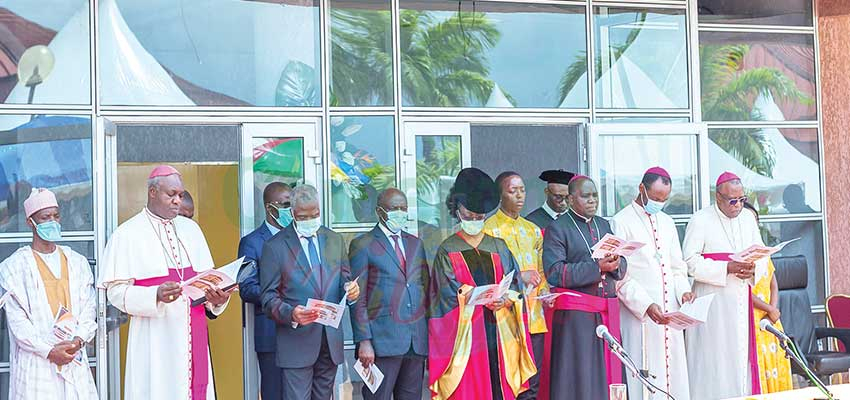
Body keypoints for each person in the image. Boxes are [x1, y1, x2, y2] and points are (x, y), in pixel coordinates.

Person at [98, 165, 232, 400]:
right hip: (155, 338)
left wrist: (218, 300)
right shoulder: (127, 234)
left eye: (180, 195)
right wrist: (154, 295)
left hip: (195, 331)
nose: (177, 201)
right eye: (171, 194)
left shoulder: (192, 230)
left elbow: (208, 283)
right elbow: (115, 292)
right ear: (152, 192)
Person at [428, 168, 536, 400]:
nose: (475, 221)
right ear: (457, 210)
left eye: (479, 217)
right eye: (469, 215)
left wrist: (506, 299)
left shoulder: (498, 246)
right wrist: (471, 295)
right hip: (467, 336)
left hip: (499, 332)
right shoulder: (448, 249)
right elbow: (443, 295)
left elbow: (515, 284)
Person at [259, 184, 361, 400]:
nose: (311, 220)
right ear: (294, 214)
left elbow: (345, 277)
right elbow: (267, 298)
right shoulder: (275, 247)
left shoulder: (334, 240)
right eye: (305, 216)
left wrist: (350, 289)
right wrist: (291, 313)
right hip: (296, 342)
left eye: (315, 214)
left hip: (330, 340)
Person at [0, 189, 98, 399]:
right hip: (37, 362)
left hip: (73, 355)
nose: (52, 221)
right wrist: (48, 350)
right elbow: (18, 324)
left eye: (56, 215)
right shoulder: (14, 267)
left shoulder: (76, 262)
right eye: (45, 218)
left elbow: (89, 308)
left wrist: (78, 341)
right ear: (30, 222)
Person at [610, 167, 692, 400]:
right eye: (655, 198)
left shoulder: (667, 222)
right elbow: (620, 276)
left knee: (674, 376)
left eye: (664, 200)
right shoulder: (621, 222)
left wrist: (684, 291)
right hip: (641, 316)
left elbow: (677, 266)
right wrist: (646, 305)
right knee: (644, 373)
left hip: (670, 313)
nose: (659, 204)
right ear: (641, 189)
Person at [682, 172, 766, 399]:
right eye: (732, 201)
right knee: (714, 361)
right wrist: (725, 268)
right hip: (712, 305)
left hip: (739, 300)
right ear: (717, 197)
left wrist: (754, 269)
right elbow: (689, 262)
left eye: (742, 200)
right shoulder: (700, 219)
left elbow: (762, 253)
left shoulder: (748, 218)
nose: (737, 206)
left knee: (739, 359)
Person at [542, 175, 626, 400]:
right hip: (576, 319)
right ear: (570, 199)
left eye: (595, 195)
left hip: (607, 313)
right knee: (581, 381)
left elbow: (621, 263)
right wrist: (596, 268)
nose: (592, 201)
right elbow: (555, 272)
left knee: (609, 377)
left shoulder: (604, 224)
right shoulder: (558, 228)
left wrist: (617, 263)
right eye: (586, 196)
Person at [349, 188, 429, 400]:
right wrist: (364, 340)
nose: (400, 213)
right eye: (394, 209)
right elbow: (358, 298)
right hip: (380, 343)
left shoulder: (415, 244)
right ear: (379, 212)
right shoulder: (362, 245)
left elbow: (424, 288)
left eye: (404, 208)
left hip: (415, 340)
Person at [483, 171, 548, 400]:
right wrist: (521, 275)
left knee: (532, 382)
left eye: (522, 190)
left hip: (534, 317)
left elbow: (540, 270)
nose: (519, 196)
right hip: (505, 318)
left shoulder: (532, 229)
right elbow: (487, 275)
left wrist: (547, 294)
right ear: (500, 195)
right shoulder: (488, 230)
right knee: (507, 379)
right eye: (513, 191)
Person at [238, 182, 292, 400]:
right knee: (274, 393)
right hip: (270, 333)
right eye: (286, 204)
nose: (291, 209)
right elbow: (247, 287)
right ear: (271, 208)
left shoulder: (297, 237)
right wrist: (281, 297)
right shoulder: (251, 242)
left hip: (302, 333)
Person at [743, 202, 793, 393]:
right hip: (754, 318)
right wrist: (769, 309)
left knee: (777, 363)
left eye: (754, 221)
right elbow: (744, 292)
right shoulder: (741, 255)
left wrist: (773, 309)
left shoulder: (763, 251)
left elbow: (773, 283)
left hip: (770, 320)